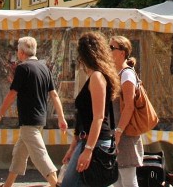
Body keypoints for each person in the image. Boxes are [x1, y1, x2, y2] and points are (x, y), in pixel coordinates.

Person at [0, 36, 68, 187]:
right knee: (19, 153)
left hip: (28, 119)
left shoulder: (23, 68)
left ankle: (55, 184)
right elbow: (54, 95)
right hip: (40, 118)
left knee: (39, 154)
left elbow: (12, 94)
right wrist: (61, 117)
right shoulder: (44, 67)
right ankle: (7, 185)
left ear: (21, 52)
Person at [60, 32, 120, 187]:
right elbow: (84, 117)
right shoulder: (97, 76)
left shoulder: (97, 77)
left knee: (73, 184)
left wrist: (88, 150)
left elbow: (98, 117)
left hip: (96, 142)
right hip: (91, 141)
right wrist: (74, 147)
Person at [109, 36, 143, 187]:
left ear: (122, 52)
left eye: (111, 48)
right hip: (118, 132)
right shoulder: (117, 73)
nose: (108, 51)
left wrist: (119, 131)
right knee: (117, 178)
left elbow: (129, 106)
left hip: (125, 133)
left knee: (128, 178)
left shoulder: (126, 74)